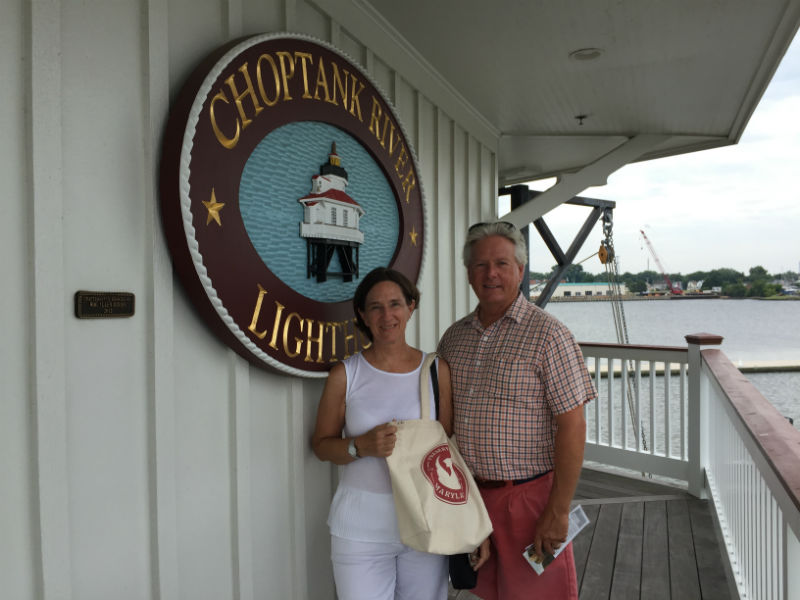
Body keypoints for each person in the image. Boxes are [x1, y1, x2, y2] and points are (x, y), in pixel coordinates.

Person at [437, 221, 596, 600]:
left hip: (529, 500)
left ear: (520, 271)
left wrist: (558, 512)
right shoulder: (453, 338)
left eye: (501, 263)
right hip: (474, 498)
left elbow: (572, 427)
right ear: (469, 273)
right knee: (487, 593)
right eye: (480, 264)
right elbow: (444, 424)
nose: (490, 273)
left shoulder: (549, 335)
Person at [312, 267, 481, 600]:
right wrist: (359, 447)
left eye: (395, 304)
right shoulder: (345, 375)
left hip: (425, 522)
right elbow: (320, 446)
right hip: (360, 529)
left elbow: (447, 450)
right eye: (375, 307)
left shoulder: (436, 370)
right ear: (362, 314)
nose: (386, 315)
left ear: (411, 307)